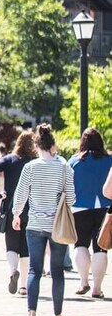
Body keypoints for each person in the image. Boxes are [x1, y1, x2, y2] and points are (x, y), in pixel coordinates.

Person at [12, 124, 75, 316]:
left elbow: (20, 194)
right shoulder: (64, 166)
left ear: (36, 146)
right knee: (57, 271)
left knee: (34, 271)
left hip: (35, 224)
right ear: (53, 145)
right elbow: (72, 198)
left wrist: (16, 214)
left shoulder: (30, 167)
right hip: (57, 226)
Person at [0, 130, 37, 295]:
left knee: (11, 244)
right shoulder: (34, 161)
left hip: (11, 206)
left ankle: (12, 271)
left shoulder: (9, 159)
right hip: (31, 207)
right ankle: (23, 285)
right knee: (25, 248)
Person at [68, 128, 112, 299]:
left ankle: (83, 281)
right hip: (105, 207)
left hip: (80, 207)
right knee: (101, 247)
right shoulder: (109, 160)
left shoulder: (74, 162)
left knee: (80, 245)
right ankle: (97, 288)